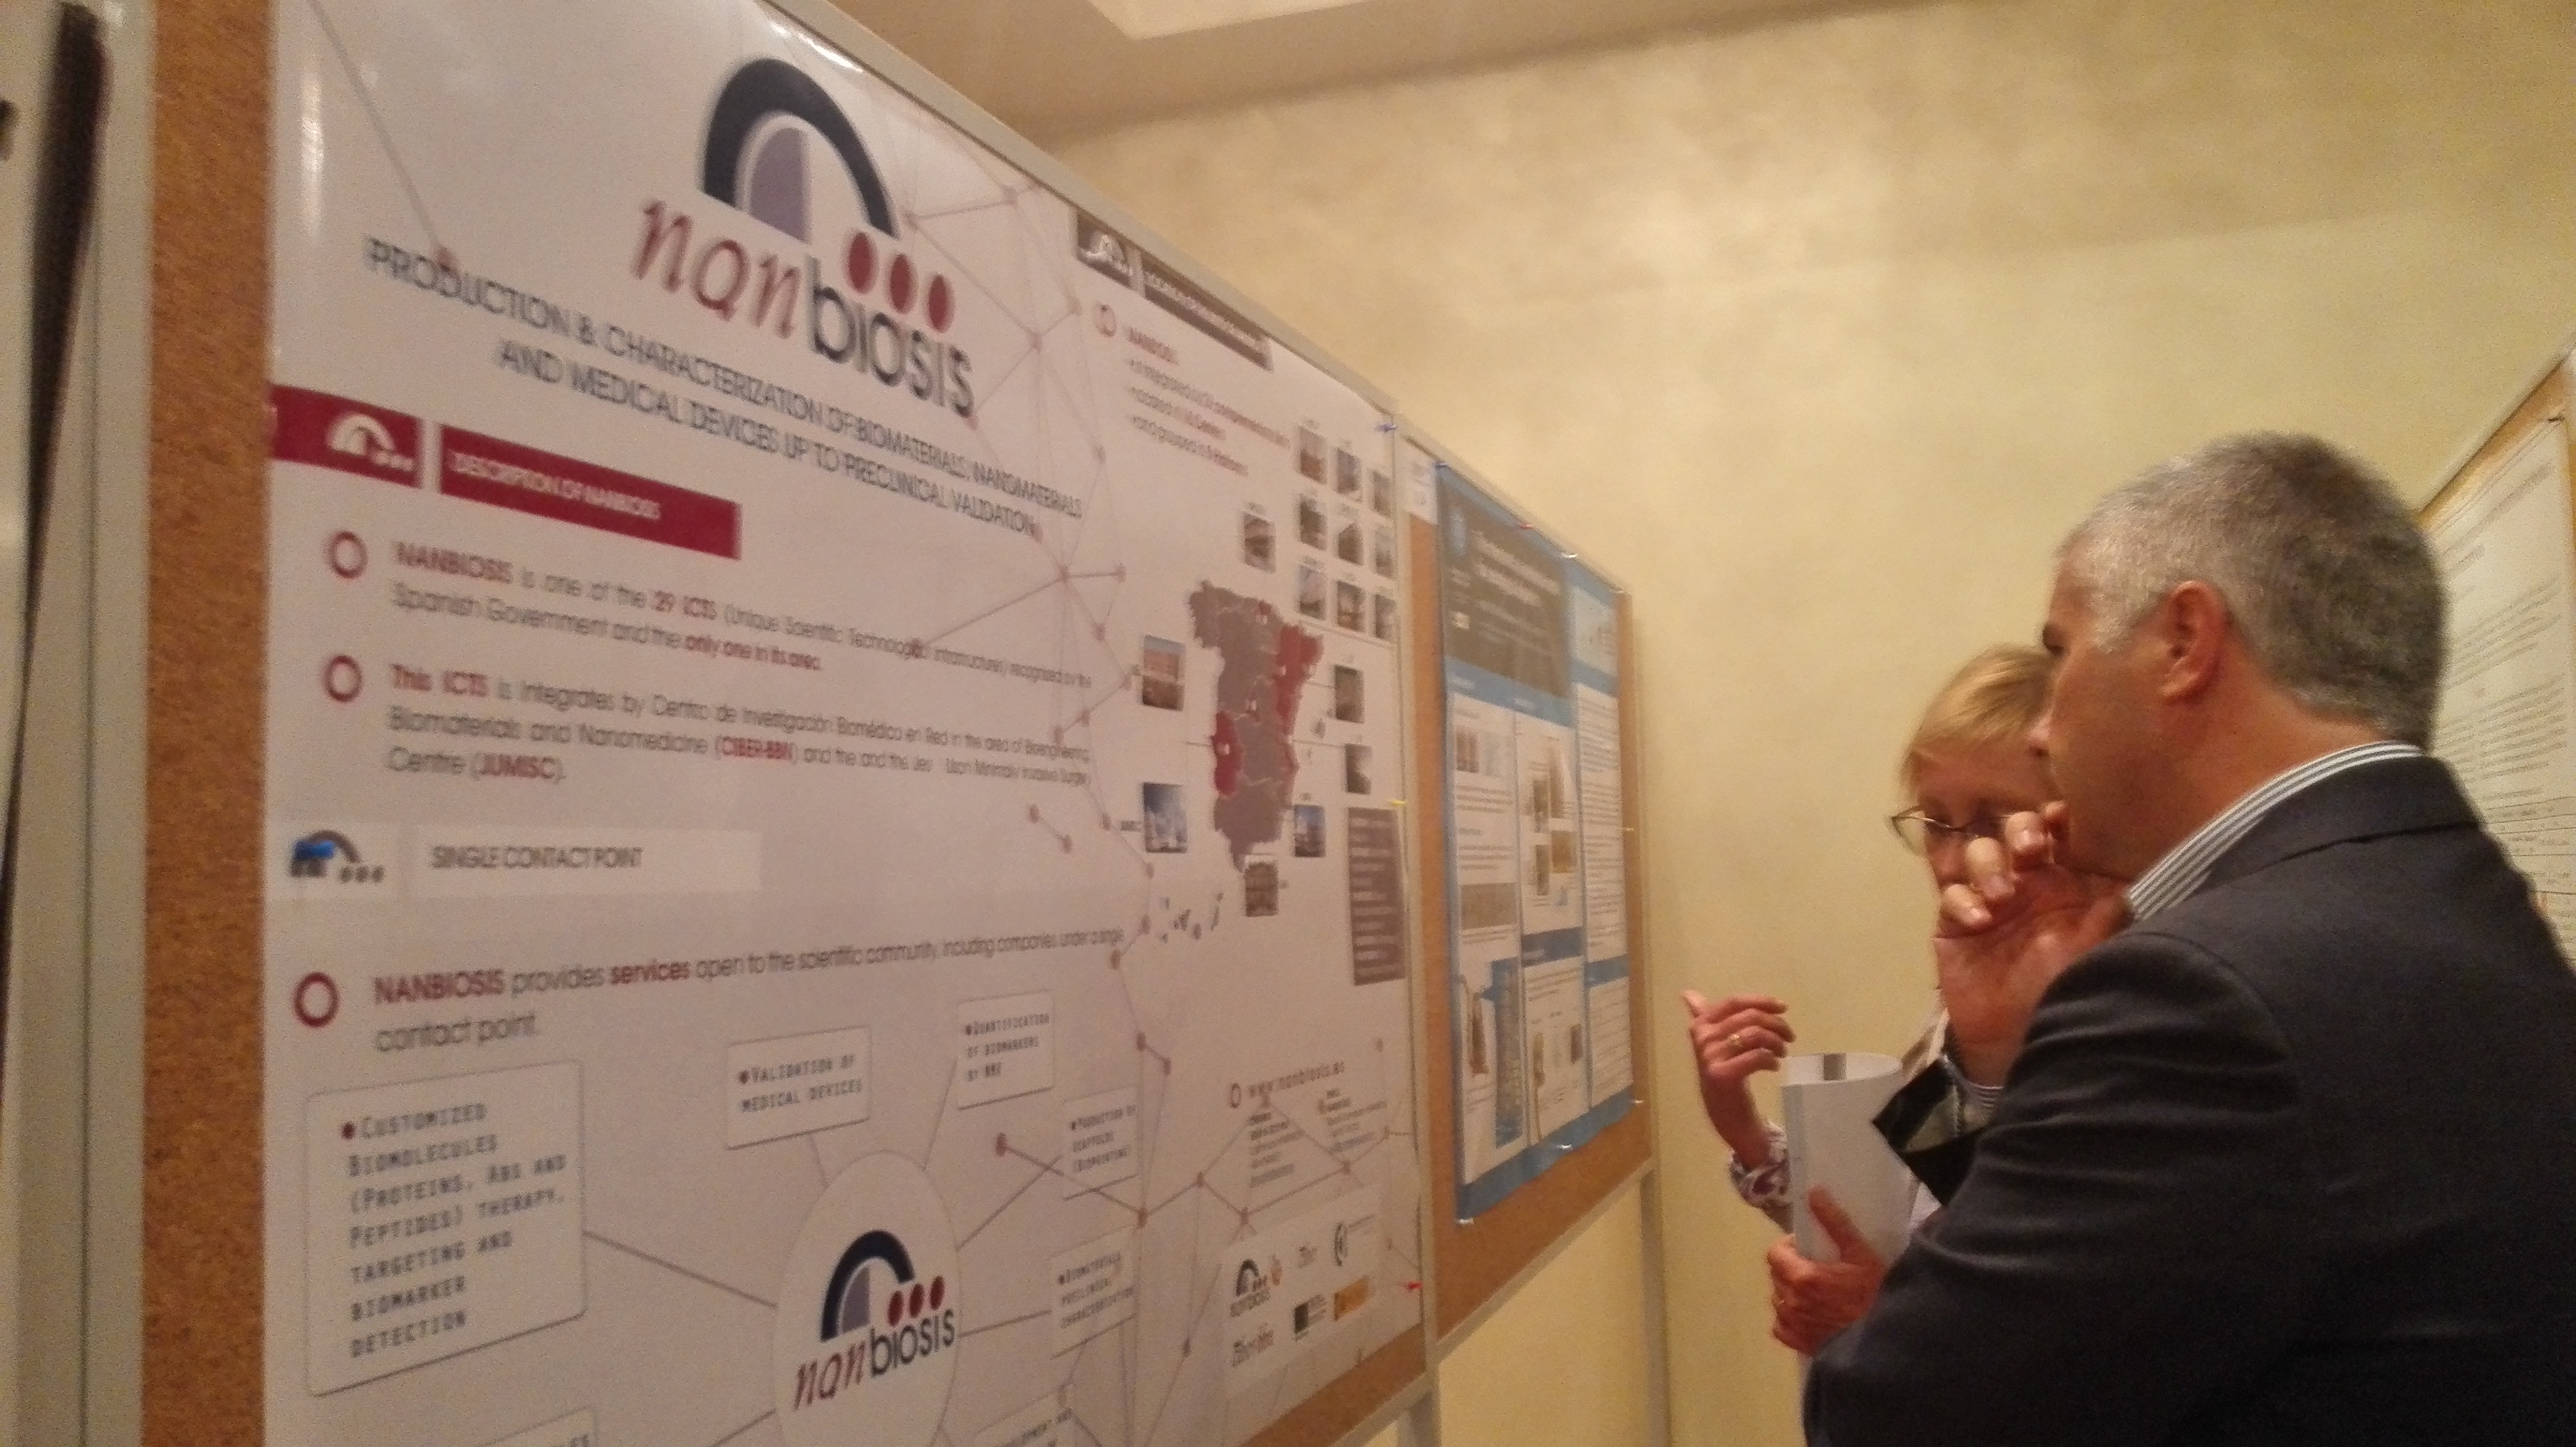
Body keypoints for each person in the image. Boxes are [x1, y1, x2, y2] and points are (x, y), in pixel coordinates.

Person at [1806, 434, 2576, 1445]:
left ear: (2185, 641)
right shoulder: (2452, 884)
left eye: (2063, 653)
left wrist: (1865, 1333)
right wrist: (1991, 1060)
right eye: (1934, 820)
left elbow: (1897, 1413)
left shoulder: (2198, 992)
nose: (2044, 730)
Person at [1684, 644, 2118, 1352]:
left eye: (1990, 820)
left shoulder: (2120, 1009)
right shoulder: (1961, 1000)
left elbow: (2085, 1311)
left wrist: (1881, 1317)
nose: (1949, 861)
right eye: (1936, 821)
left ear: (2070, 820)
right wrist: (1746, 1132)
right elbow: (1912, 1204)